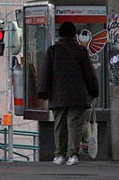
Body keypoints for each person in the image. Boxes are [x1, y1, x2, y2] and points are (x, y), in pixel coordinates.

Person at [38, 21, 99, 166]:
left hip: (58, 96)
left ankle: (59, 154)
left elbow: (46, 73)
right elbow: (89, 74)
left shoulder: (53, 51)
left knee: (59, 125)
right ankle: (73, 155)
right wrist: (94, 91)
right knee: (74, 125)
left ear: (60, 35)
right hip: (78, 96)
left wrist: (43, 92)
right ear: (74, 35)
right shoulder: (81, 51)